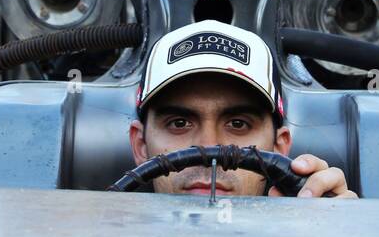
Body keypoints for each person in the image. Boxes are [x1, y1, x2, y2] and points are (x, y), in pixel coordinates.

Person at [128, 21, 357, 199]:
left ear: (279, 149)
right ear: (141, 145)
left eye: (238, 124)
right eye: (179, 123)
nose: (209, 151)